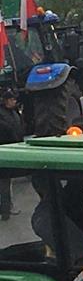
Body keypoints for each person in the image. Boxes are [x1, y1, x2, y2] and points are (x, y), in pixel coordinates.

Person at [0, 89, 24, 220]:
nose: (14, 101)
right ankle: (5, 210)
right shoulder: (4, 115)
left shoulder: (13, 113)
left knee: (6, 182)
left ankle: (6, 208)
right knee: (4, 183)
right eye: (12, 99)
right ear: (6, 101)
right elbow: (9, 130)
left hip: (10, 150)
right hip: (5, 152)